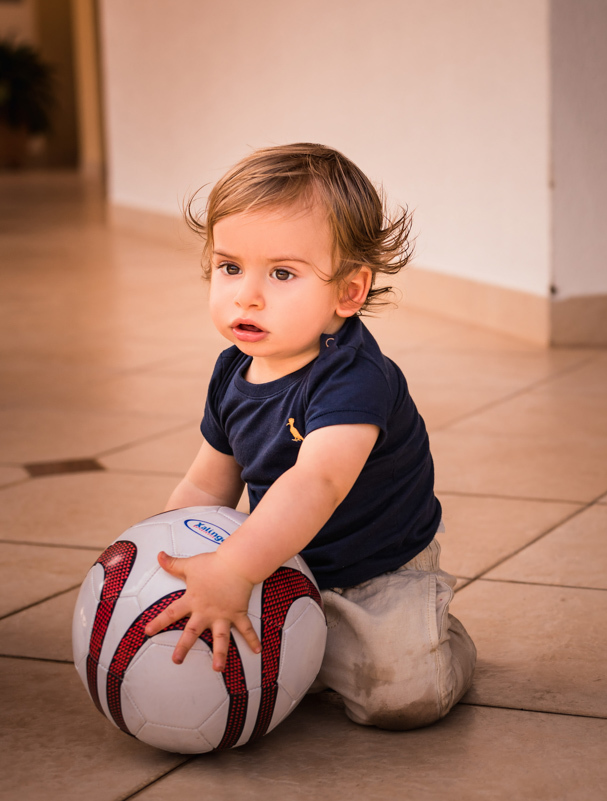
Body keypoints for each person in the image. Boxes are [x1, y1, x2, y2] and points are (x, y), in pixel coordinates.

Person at [143, 143, 475, 730]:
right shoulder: (231, 371)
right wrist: (162, 560)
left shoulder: (355, 376)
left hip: (380, 567)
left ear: (349, 292)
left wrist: (236, 569)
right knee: (207, 640)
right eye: (229, 267)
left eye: (282, 273)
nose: (247, 293)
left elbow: (316, 481)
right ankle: (311, 643)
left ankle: (441, 639)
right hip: (282, 554)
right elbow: (206, 481)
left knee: (400, 699)